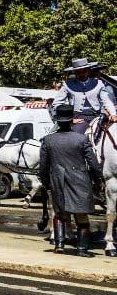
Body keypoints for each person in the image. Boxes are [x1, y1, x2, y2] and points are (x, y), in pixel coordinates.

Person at [39, 103, 104, 258]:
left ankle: (59, 245)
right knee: (81, 216)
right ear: (72, 120)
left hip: (57, 180)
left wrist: (46, 182)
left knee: (61, 214)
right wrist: (99, 180)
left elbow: (43, 166)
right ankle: (81, 249)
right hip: (80, 181)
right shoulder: (81, 139)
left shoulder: (48, 140)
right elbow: (93, 163)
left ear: (57, 121)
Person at [52, 58, 117, 135]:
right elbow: (57, 103)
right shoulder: (67, 85)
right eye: (78, 72)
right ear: (74, 72)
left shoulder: (98, 83)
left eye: (84, 71)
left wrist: (113, 114)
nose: (81, 74)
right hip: (78, 117)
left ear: (88, 70)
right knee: (76, 135)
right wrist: (68, 119)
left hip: (97, 115)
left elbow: (106, 101)